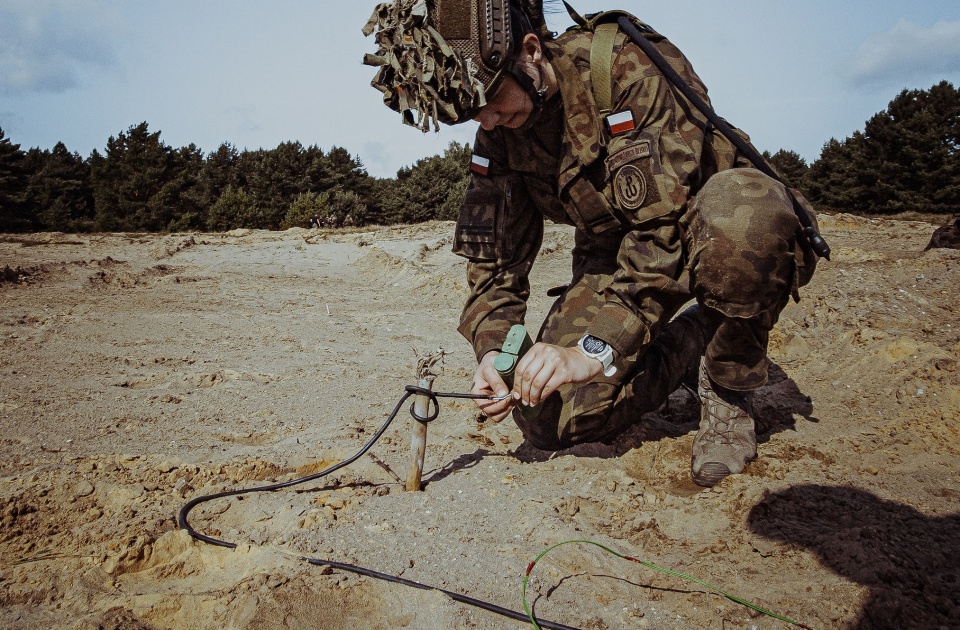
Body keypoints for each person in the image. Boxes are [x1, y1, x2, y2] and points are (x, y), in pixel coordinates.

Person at [363, 0, 820, 486]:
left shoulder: (625, 70)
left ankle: (728, 389)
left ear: (531, 51)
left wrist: (595, 349)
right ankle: (693, 341)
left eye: (493, 102)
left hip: (702, 229)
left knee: (749, 219)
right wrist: (496, 352)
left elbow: (660, 234)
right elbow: (494, 261)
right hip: (617, 255)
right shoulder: (499, 129)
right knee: (549, 417)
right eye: (475, 116)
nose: (489, 122)